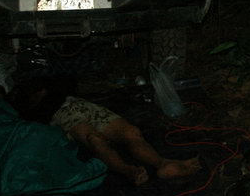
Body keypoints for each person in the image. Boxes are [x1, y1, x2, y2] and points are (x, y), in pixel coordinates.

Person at [11, 77, 201, 186]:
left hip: (83, 106)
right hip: (64, 116)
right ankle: (129, 171)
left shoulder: (51, 86)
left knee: (131, 133)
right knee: (94, 139)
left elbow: (68, 81)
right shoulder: (25, 106)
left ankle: (163, 163)